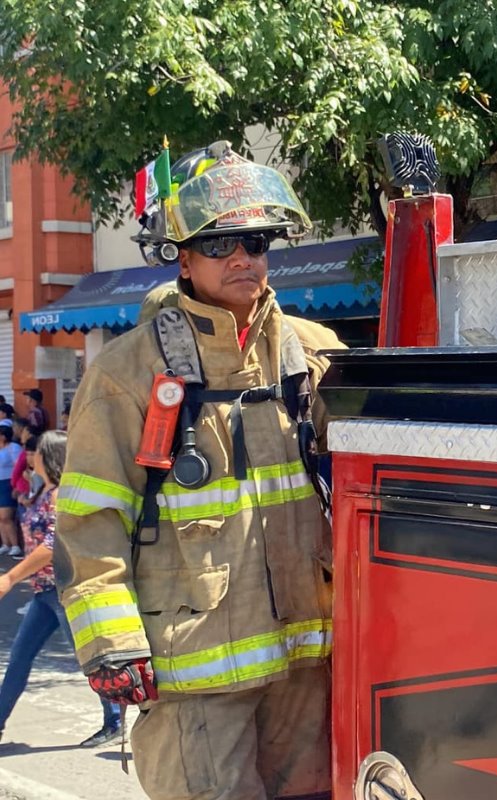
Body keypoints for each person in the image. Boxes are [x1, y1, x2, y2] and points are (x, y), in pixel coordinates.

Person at [55, 140, 344, 800]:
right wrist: (112, 643)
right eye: (219, 244)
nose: (242, 257)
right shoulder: (127, 375)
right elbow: (90, 524)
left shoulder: (315, 357)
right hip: (194, 677)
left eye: (257, 241)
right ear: (182, 258)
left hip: (307, 665)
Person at [0, 432, 122, 747]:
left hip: (63, 590)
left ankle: (116, 720)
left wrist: (11, 577)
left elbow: (52, 545)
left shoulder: (62, 495)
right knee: (19, 658)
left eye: (37, 452)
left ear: (50, 457)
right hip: (44, 593)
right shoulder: (47, 490)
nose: (31, 456)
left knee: (89, 659)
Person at [0, 428, 22, 557]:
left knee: (6, 516)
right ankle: (5, 544)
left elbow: (18, 466)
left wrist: (16, 485)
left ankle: (15, 545)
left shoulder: (13, 447)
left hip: (8, 484)